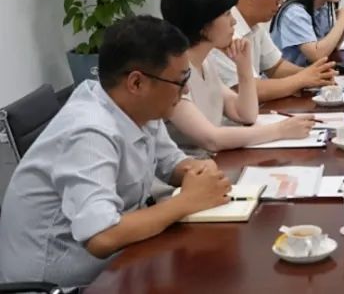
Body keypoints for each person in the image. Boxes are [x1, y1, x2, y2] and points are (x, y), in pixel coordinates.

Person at [0, 16, 232, 288]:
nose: (186, 90)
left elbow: (170, 163)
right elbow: (102, 236)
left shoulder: (138, 107)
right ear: (136, 83)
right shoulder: (89, 131)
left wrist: (196, 171)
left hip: (117, 261)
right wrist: (187, 201)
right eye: (180, 81)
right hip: (62, 283)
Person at [161, 0, 316, 156]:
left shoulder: (205, 61)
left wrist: (243, 66)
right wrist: (280, 130)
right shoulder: (171, 73)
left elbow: (246, 115)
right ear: (202, 23)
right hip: (190, 169)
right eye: (227, 14)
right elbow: (212, 139)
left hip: (214, 162)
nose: (234, 21)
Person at [209, 0, 336, 103]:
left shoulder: (254, 26)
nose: (281, 0)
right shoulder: (223, 32)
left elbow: (275, 67)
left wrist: (316, 75)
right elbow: (250, 90)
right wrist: (302, 79)